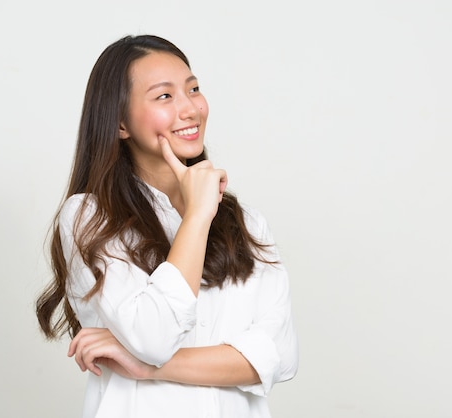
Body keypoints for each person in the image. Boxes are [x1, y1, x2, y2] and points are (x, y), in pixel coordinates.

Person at [35, 34, 298, 418]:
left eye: (193, 89)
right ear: (121, 123)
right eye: (164, 96)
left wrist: (147, 366)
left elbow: (280, 356)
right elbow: (153, 336)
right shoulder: (90, 217)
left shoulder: (248, 224)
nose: (190, 108)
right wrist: (196, 215)